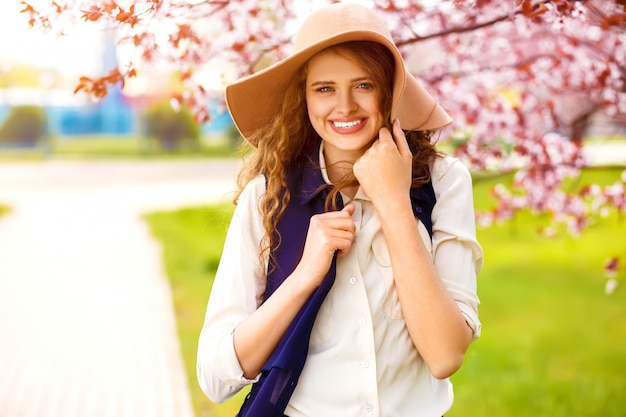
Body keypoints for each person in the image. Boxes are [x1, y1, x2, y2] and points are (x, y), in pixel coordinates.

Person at [197, 3, 482, 417]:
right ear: (304, 95)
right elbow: (216, 376)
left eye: (364, 85)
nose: (345, 106)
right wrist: (304, 277)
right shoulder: (267, 197)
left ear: (390, 89)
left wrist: (394, 203)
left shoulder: (444, 181)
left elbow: (444, 355)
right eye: (325, 88)